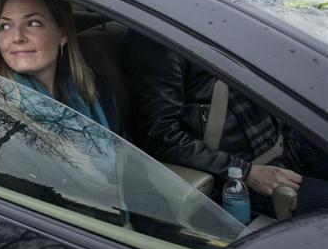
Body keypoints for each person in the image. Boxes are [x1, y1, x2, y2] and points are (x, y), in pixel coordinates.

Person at [124, 31, 328, 218]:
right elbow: (161, 136)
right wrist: (247, 172)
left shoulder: (229, 17)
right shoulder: (160, 39)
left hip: (289, 145)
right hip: (243, 179)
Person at [0, 0, 122, 133]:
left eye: (33, 23)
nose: (17, 37)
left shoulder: (97, 90)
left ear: (63, 34)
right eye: (6, 26)